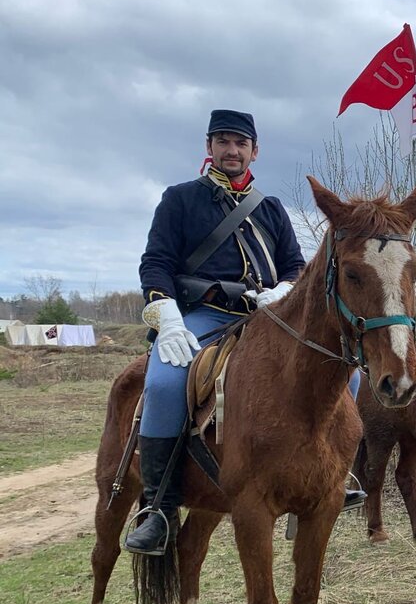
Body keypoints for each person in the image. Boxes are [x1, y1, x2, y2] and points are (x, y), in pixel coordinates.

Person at [125, 109, 362, 555]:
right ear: (209, 147)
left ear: (254, 151)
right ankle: (158, 506)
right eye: (223, 142)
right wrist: (167, 315)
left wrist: (283, 291)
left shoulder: (270, 208)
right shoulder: (180, 199)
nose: (231, 151)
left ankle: (335, 476)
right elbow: (155, 262)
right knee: (162, 383)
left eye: (240, 143)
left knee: (347, 373)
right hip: (201, 317)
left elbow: (295, 264)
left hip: (266, 318)